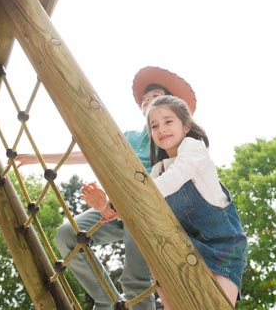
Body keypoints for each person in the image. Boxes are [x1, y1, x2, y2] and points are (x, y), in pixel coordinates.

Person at [16, 66, 197, 310]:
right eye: (145, 100)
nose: (148, 102)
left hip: (148, 212)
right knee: (67, 235)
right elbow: (89, 152)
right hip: (114, 208)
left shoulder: (173, 139)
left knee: (135, 279)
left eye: (155, 97)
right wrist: (37, 158)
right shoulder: (129, 137)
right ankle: (105, 299)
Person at [83, 95, 248, 309]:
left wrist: (117, 204)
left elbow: (173, 180)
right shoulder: (158, 170)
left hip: (224, 246)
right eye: (154, 126)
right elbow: (140, 208)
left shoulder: (194, 149)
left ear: (186, 126)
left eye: (168, 121)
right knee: (165, 278)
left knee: (216, 305)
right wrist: (106, 207)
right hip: (185, 245)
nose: (161, 129)